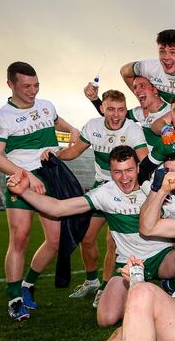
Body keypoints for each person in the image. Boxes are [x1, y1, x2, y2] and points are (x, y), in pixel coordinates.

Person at [2, 146, 175, 327]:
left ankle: (171, 286)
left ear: (137, 168)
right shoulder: (105, 193)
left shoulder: (156, 186)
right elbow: (58, 208)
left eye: (129, 170)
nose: (125, 177)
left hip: (161, 257)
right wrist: (24, 192)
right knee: (106, 319)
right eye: (117, 172)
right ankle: (141, 292)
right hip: (127, 263)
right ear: (110, 172)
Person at [0, 61, 80, 321]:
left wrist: (72, 129)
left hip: (49, 176)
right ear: (11, 85)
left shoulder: (46, 105)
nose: (33, 91)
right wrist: (24, 175)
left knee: (55, 240)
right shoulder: (2, 117)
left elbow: (57, 121)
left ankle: (28, 284)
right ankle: (15, 298)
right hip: (20, 179)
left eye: (36, 85)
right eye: (26, 86)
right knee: (20, 237)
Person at [51, 90, 148, 300]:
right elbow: (75, 151)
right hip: (102, 186)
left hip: (124, 188)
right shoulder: (93, 126)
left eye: (121, 110)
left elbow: (144, 162)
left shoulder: (133, 130)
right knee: (86, 238)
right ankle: (91, 280)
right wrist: (54, 154)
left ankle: (105, 288)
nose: (116, 115)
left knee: (113, 241)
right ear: (102, 108)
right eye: (111, 109)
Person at [120, 29, 175, 103]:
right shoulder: (148, 67)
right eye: (162, 51)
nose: (166, 57)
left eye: (173, 52)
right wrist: (143, 100)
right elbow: (124, 71)